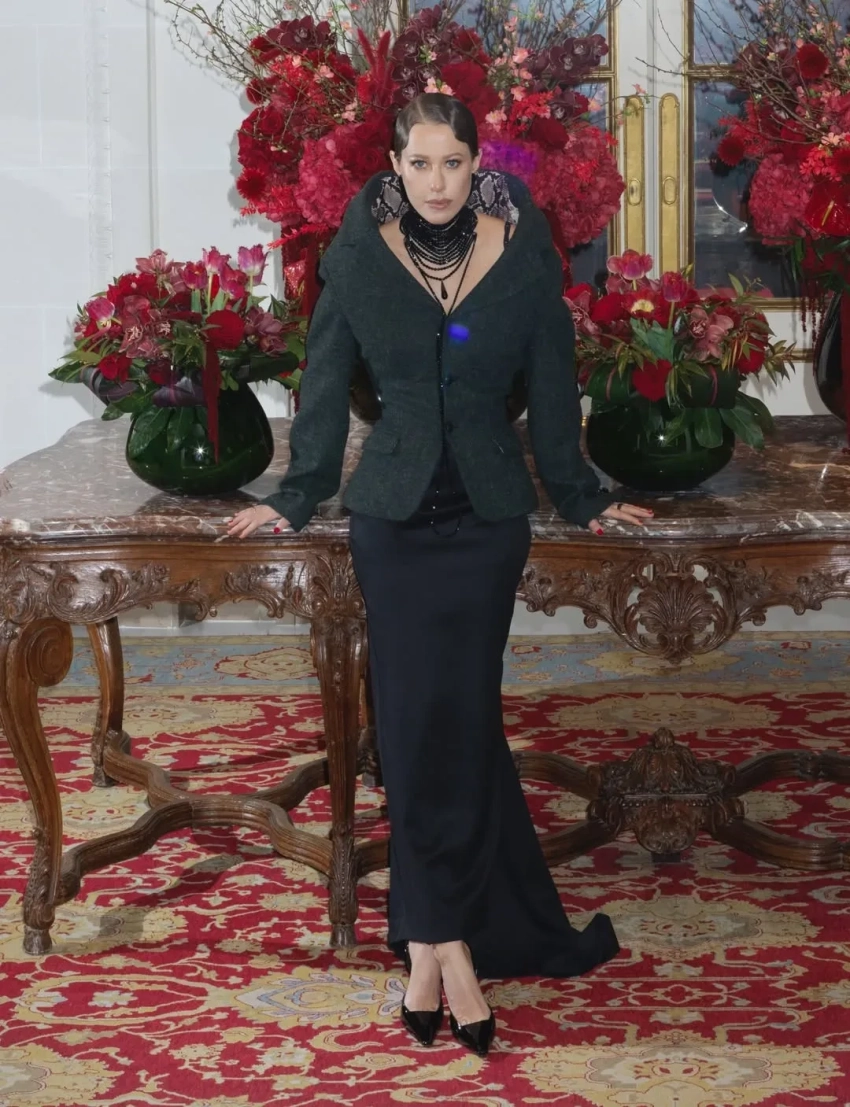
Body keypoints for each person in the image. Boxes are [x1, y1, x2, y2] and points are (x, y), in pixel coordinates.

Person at [227, 92, 652, 1056]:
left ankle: (434, 937)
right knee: (415, 728)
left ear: (477, 164)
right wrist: (297, 495)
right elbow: (323, 383)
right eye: (418, 164)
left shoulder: (524, 256)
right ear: (394, 165)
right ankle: (444, 947)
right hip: (392, 523)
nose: (436, 181)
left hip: (486, 524)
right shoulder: (356, 259)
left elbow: (554, 386)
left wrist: (580, 495)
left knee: (459, 721)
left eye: (453, 163)